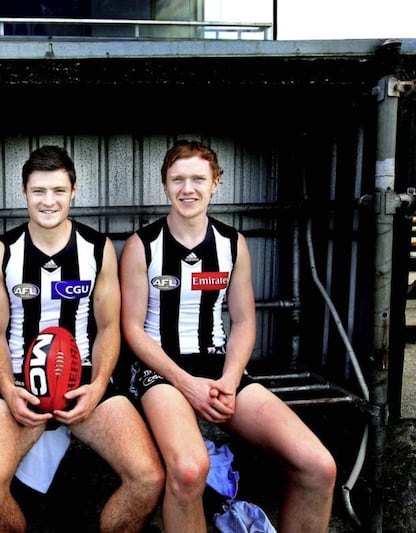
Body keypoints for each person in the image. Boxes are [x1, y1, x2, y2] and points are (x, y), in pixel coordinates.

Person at [119, 139, 337, 532]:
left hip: (219, 367)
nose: (189, 188)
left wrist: (231, 381)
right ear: (165, 185)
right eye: (178, 179)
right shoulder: (142, 245)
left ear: (216, 183)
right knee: (188, 470)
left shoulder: (232, 243)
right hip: (161, 371)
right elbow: (132, 329)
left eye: (198, 179)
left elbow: (244, 321)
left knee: (317, 465)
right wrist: (188, 385)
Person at [0, 145, 165, 533]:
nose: (48, 201)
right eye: (39, 191)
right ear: (24, 193)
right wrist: (7, 389)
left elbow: (109, 328)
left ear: (73, 190)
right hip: (20, 386)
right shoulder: (1, 253)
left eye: (58, 190)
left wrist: (96, 388)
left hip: (85, 379)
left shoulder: (97, 248)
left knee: (148, 478)